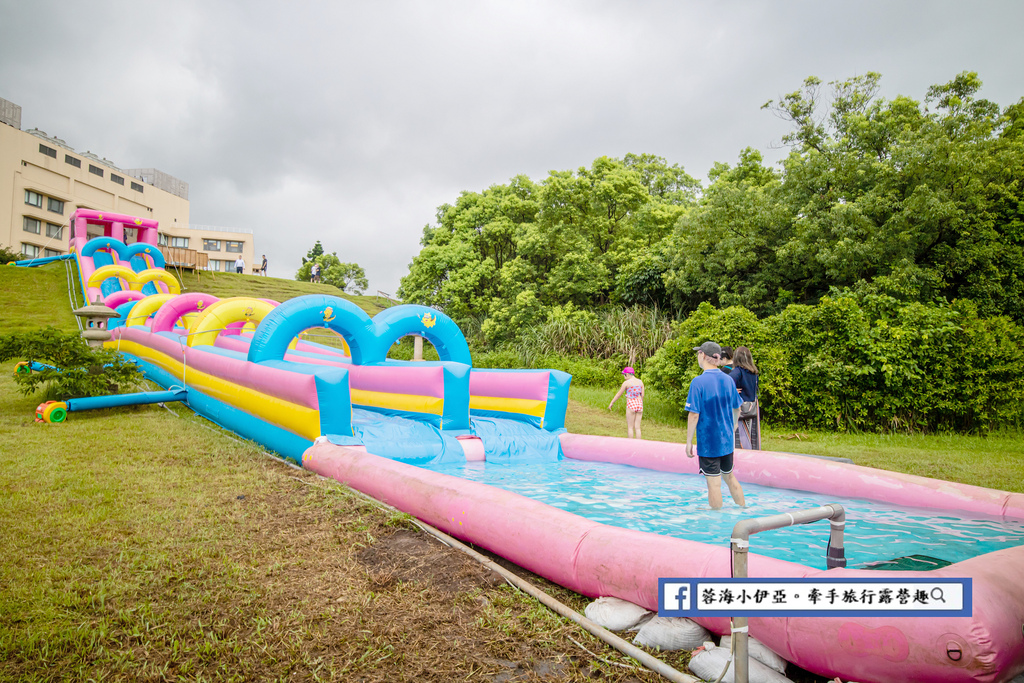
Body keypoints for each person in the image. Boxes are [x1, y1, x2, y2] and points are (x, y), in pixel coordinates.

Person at [685, 341, 745, 509]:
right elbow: (737, 407)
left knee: (714, 484)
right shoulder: (728, 380)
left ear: (703, 355)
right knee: (730, 477)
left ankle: (716, 522)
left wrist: (689, 441)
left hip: (709, 442)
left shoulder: (698, 382)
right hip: (726, 440)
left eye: (698, 353)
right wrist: (732, 426)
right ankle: (743, 509)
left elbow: (694, 414)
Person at [730, 346, 760, 449]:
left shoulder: (737, 371)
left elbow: (727, 383)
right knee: (751, 436)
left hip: (740, 410)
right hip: (752, 409)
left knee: (740, 438)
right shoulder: (754, 372)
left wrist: (732, 390)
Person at [608, 366, 645, 439]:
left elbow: (619, 394)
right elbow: (642, 395)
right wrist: (640, 403)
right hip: (639, 403)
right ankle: (639, 444)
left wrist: (611, 402)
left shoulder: (626, 383)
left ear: (628, 374)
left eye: (624, 374)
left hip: (631, 403)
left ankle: (630, 444)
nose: (624, 376)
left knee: (630, 427)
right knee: (637, 427)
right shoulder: (640, 382)